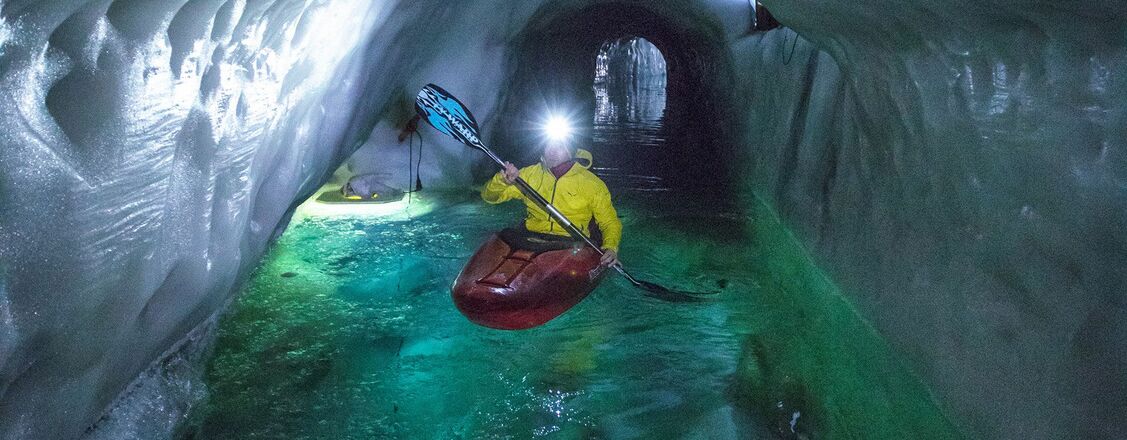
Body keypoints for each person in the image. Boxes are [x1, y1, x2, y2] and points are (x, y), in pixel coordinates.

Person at [481, 142, 622, 266]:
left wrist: (611, 247)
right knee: (505, 234)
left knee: (575, 249)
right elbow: (489, 197)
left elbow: (609, 222)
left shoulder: (591, 184)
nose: (552, 151)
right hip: (531, 234)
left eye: (560, 146)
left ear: (571, 151)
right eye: (549, 145)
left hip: (569, 240)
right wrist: (502, 181)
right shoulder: (528, 175)